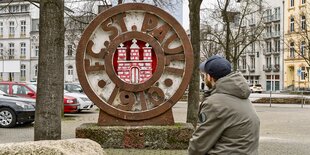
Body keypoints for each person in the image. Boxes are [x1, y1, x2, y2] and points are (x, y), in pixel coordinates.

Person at [188, 55, 260, 155]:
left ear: (209, 77)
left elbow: (198, 145)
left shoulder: (214, 103)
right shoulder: (241, 95)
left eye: (204, 75)